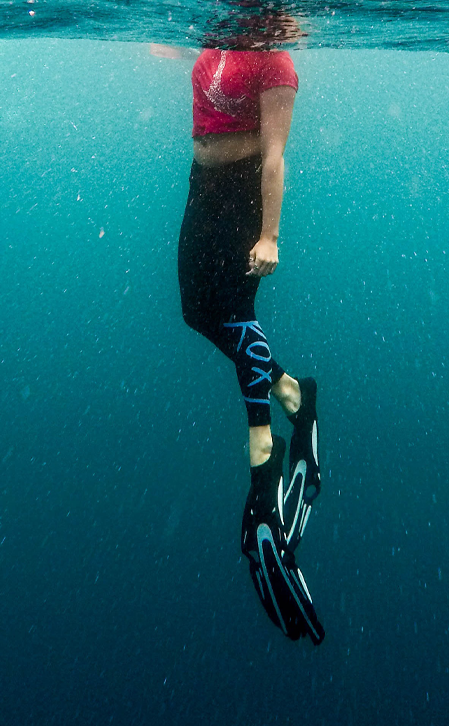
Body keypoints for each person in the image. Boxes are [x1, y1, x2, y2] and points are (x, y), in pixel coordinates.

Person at [177, 44, 324, 644]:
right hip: (202, 182)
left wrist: (270, 235)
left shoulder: (277, 62)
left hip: (240, 193)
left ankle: (262, 461)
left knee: (235, 312)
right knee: (195, 312)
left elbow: (273, 156)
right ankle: (294, 390)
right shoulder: (222, 29)